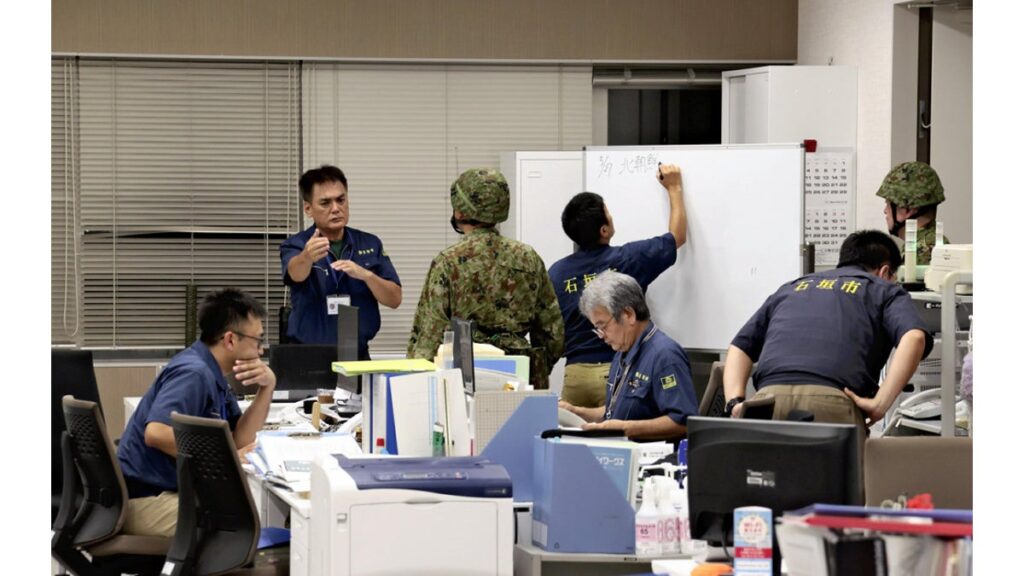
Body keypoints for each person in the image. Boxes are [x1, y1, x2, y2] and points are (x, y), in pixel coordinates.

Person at [722, 230, 933, 433]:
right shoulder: (883, 289)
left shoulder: (790, 288)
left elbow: (740, 346)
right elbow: (914, 337)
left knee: (766, 470)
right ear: (885, 272)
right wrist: (880, 404)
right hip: (832, 402)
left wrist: (735, 403)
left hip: (766, 401)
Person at [116, 288, 277, 537]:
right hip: (145, 501)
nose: (261, 350)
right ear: (231, 339)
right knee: (242, 526)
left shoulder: (213, 373)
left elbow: (240, 441)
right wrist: (226, 456)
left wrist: (267, 388)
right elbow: (156, 433)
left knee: (249, 511)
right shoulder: (194, 373)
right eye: (257, 340)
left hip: (164, 493)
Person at [407, 168, 564, 389]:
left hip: (463, 378)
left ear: (460, 212)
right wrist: (532, 367)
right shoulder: (528, 259)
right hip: (519, 382)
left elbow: (429, 335)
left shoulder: (448, 262)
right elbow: (552, 333)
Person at [548, 163, 686, 408]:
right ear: (604, 230)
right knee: (612, 435)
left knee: (573, 440)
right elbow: (677, 237)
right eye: (608, 213)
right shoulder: (628, 259)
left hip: (574, 375)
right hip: (613, 368)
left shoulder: (557, 273)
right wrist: (674, 188)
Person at [559, 270, 698, 441]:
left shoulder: (665, 356)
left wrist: (625, 429)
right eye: (597, 329)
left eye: (603, 326)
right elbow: (615, 410)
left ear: (628, 315)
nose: (601, 335)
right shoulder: (622, 351)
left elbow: (682, 421)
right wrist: (577, 412)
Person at [280, 165, 401, 359]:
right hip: (310, 356)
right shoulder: (296, 245)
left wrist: (366, 275)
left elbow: (394, 299)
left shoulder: (370, 243)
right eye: (325, 203)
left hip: (357, 354)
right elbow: (295, 273)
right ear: (308, 208)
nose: (335, 209)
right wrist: (307, 257)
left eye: (340, 200)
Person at [876, 161, 950, 266]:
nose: (885, 211)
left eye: (888, 204)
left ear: (907, 210)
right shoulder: (927, 244)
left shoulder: (921, 253)